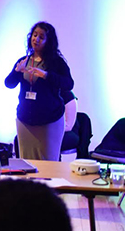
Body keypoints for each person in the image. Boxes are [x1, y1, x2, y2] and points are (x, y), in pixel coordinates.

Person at [5, 21, 74, 161]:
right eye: (34, 35)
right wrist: (17, 71)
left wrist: (46, 75)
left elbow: (68, 84)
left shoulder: (56, 63)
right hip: (25, 120)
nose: (36, 39)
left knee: (48, 163)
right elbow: (9, 83)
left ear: (48, 41)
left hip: (50, 120)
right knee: (27, 162)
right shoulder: (24, 60)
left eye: (41, 37)